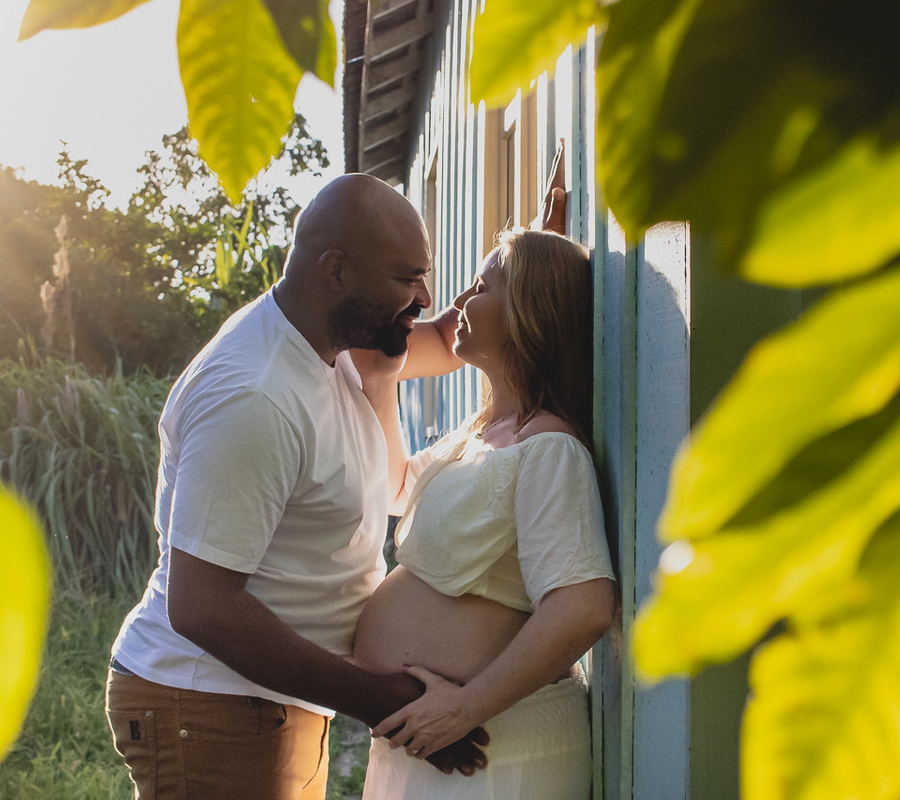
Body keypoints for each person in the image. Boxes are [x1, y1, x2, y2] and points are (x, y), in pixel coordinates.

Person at [104, 173, 492, 800]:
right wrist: (377, 700)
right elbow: (202, 605)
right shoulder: (254, 395)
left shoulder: (337, 343)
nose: (423, 295)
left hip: (268, 705)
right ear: (336, 272)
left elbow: (453, 336)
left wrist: (527, 260)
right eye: (406, 278)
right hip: (208, 707)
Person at [352, 226, 617, 799]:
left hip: (492, 745)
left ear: (529, 310)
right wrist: (379, 379)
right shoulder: (479, 436)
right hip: (439, 743)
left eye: (481, 287)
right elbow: (397, 486)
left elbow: (583, 606)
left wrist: (465, 707)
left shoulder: (548, 448)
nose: (460, 304)